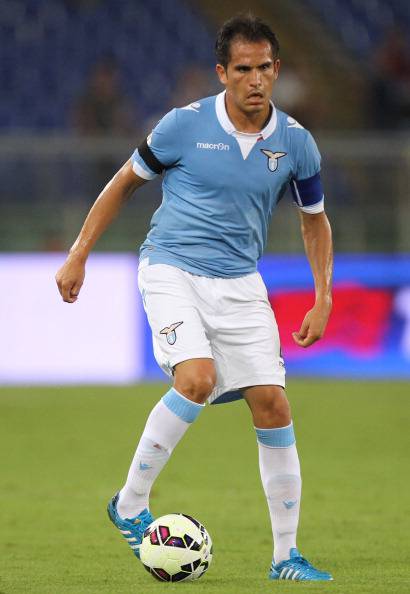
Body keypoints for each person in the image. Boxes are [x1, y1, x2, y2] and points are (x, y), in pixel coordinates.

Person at [56, 14, 333, 582]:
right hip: (171, 268)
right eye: (243, 69)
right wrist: (79, 252)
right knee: (197, 379)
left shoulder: (296, 143)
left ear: (277, 69)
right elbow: (124, 183)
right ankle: (130, 502)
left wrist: (322, 295)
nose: (256, 80)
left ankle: (285, 558)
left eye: (264, 68)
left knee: (273, 404)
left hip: (240, 282)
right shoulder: (183, 126)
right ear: (222, 73)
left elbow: (315, 220)